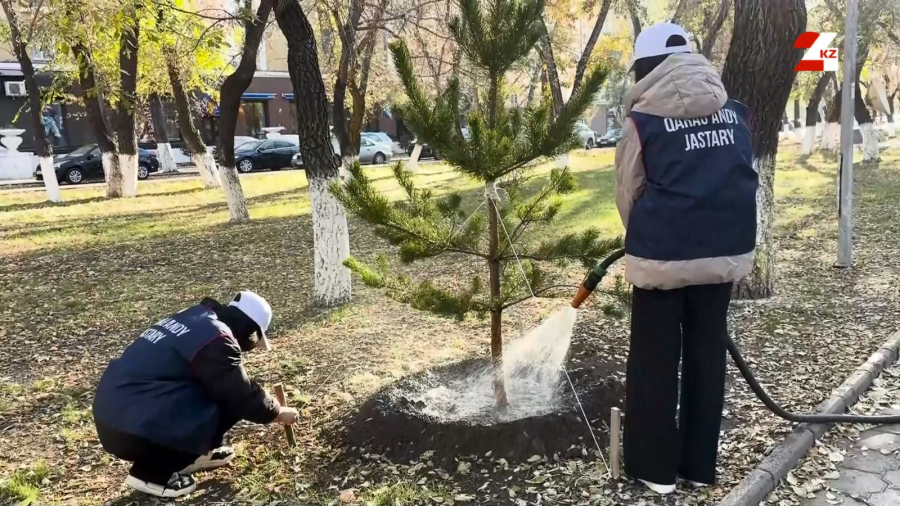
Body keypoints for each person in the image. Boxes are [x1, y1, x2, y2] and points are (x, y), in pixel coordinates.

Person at [615, 22, 757, 494]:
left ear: (646, 67)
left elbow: (628, 193)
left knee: (654, 361)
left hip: (662, 260)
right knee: (705, 355)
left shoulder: (643, 120)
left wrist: (650, 234)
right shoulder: (734, 112)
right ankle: (698, 468)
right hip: (722, 257)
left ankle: (655, 473)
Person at [92, 291, 300, 498]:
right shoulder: (217, 339)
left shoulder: (196, 318)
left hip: (114, 413)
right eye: (255, 338)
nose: (253, 345)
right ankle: (152, 474)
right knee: (227, 399)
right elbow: (239, 393)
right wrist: (278, 412)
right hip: (130, 429)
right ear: (248, 328)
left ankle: (195, 455)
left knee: (214, 388)